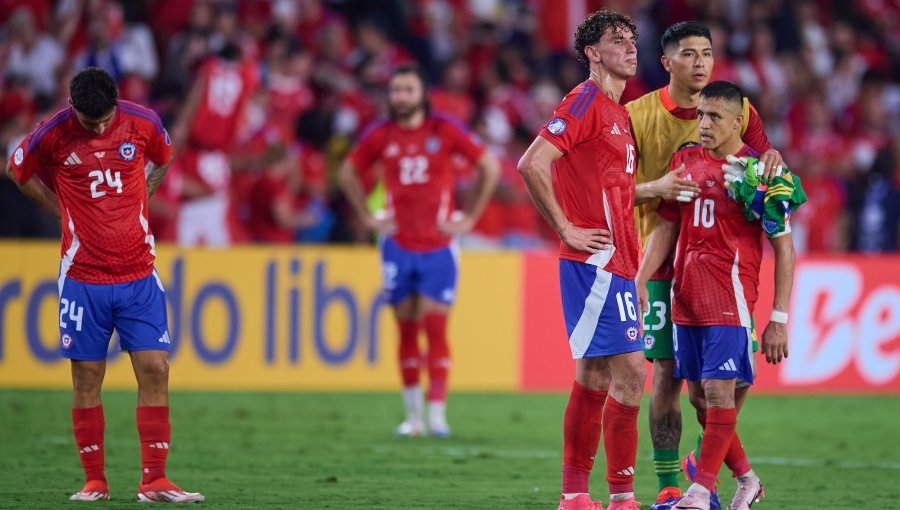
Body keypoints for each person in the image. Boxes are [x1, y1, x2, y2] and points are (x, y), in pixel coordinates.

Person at [517, 11, 697, 510]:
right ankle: (620, 497)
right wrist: (566, 229)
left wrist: (655, 188)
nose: (630, 48)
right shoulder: (586, 99)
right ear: (593, 54)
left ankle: (576, 496)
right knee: (634, 373)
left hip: (617, 262)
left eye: (632, 39)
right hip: (595, 262)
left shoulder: (618, 114)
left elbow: (608, 190)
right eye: (617, 41)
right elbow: (533, 162)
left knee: (595, 376)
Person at [4, 68, 203, 503]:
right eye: (88, 121)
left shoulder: (142, 121)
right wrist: (58, 208)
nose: (97, 127)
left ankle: (154, 481)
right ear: (72, 106)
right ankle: (95, 480)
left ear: (116, 103)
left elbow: (165, 155)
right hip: (82, 278)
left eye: (103, 119)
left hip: (139, 274)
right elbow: (16, 170)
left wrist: (145, 190)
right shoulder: (51, 133)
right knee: (87, 377)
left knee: (156, 369)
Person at [624, 21, 784, 510]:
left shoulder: (739, 108)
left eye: (708, 53)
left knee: (718, 390)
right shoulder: (637, 114)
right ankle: (675, 484)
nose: (700, 62)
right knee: (669, 378)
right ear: (668, 62)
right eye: (690, 54)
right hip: (660, 257)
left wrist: (774, 159)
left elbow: (760, 160)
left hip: (724, 271)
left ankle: (705, 480)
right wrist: (655, 191)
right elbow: (611, 185)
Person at [338, 64, 500, 437]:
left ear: (422, 93)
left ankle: (438, 415)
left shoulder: (443, 130)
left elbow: (488, 166)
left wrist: (469, 218)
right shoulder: (380, 135)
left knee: (435, 327)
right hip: (396, 244)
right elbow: (348, 172)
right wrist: (367, 215)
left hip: (439, 246)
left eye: (407, 90)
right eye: (395, 90)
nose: (400, 97)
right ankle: (413, 418)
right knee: (406, 330)